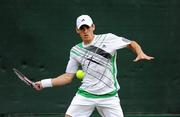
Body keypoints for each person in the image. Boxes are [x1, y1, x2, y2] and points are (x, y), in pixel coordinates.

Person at [34, 15, 154, 117]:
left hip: (109, 96)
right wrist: (43, 83)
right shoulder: (75, 50)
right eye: (82, 28)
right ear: (77, 30)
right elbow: (67, 77)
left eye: (87, 27)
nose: (85, 31)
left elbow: (131, 43)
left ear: (93, 27)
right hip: (85, 95)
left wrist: (140, 52)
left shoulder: (108, 38)